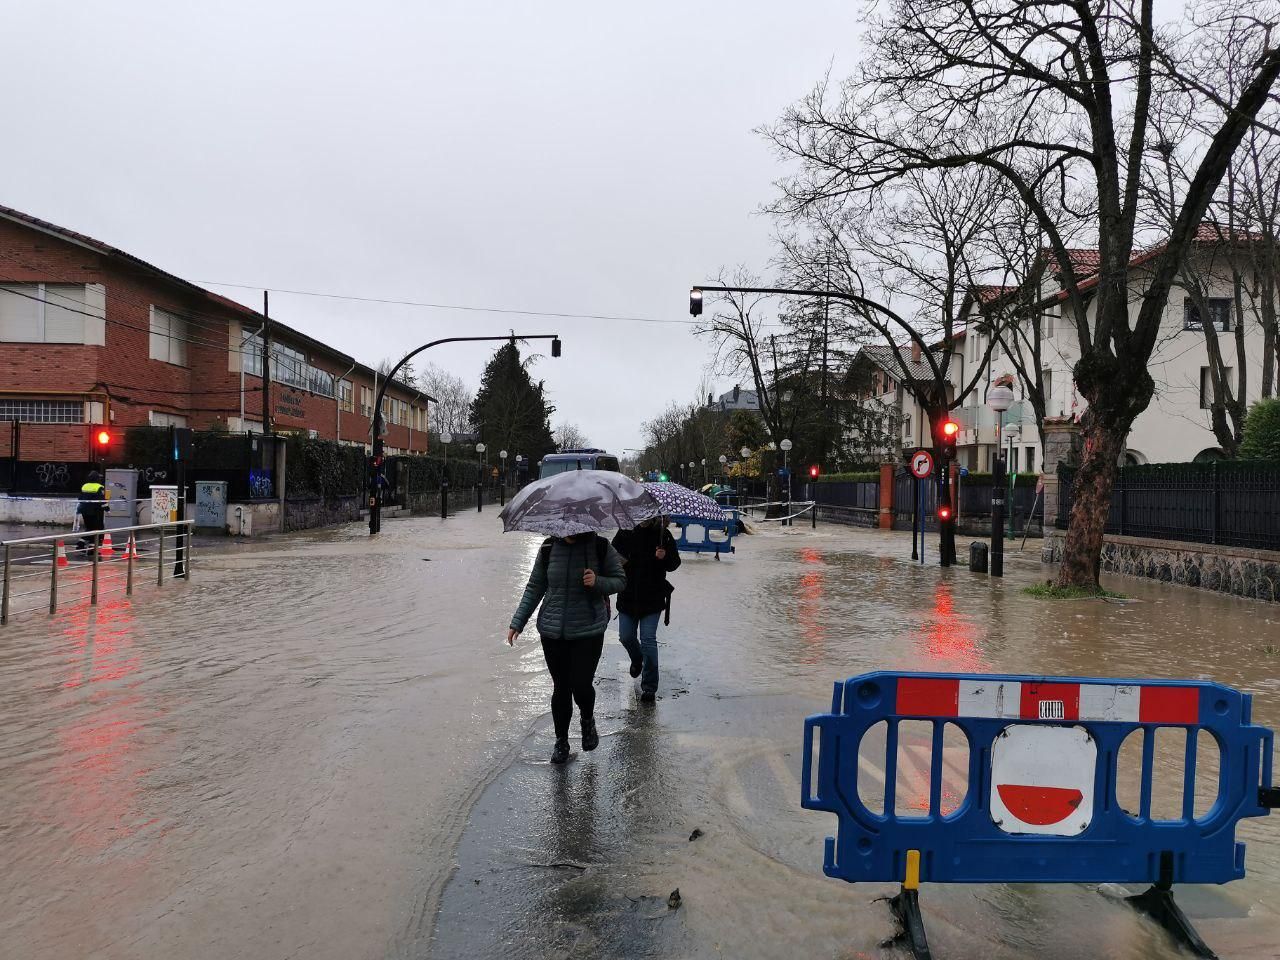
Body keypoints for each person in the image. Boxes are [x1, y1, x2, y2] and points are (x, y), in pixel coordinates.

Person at [508, 533, 626, 764]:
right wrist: (517, 622)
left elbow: (621, 580)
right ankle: (561, 742)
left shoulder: (600, 546)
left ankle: (587, 720)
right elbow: (535, 587)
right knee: (561, 688)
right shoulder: (548, 548)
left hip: (588, 630)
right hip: (552, 632)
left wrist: (598, 582)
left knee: (581, 686)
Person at [611, 517, 680, 702]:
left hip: (653, 597)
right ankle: (637, 658)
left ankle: (649, 686)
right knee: (626, 636)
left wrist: (664, 557)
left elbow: (675, 563)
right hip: (628, 596)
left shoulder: (662, 535)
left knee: (648, 639)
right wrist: (619, 562)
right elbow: (611, 558)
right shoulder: (625, 533)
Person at [76, 471, 109, 557]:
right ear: (97, 479)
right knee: (98, 529)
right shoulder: (99, 487)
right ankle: (91, 549)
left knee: (89, 528)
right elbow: (102, 500)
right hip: (95, 511)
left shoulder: (85, 486)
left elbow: (80, 498)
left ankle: (81, 543)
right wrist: (107, 509)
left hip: (84, 511)